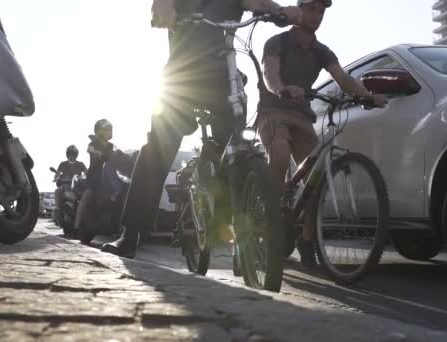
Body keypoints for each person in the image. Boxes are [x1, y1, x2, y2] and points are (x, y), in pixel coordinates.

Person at [101, 0, 303, 258]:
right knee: (157, 149)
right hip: (183, 78)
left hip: (222, 76)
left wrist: (284, 11)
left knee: (237, 144)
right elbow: (161, 6)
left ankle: (236, 220)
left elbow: (256, 2)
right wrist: (163, 10)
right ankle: (131, 234)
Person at [258, 0, 387, 268]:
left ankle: (307, 240)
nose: (316, 15)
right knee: (279, 149)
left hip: (303, 117)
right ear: (300, 8)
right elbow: (270, 75)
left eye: (321, 11)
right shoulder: (277, 42)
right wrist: (282, 88)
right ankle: (272, 213)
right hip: (273, 112)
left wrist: (367, 96)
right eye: (311, 9)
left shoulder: (322, 51)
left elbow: (343, 78)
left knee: (316, 176)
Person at [54, 145, 87, 220]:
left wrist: (82, 177)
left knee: (84, 195)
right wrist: (56, 177)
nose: (71, 155)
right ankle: (59, 211)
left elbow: (86, 172)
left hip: (76, 186)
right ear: (67, 154)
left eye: (73, 154)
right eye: (70, 153)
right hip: (65, 185)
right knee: (58, 191)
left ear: (76, 155)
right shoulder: (63, 164)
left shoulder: (80, 164)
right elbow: (58, 173)